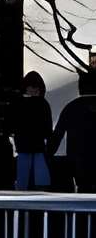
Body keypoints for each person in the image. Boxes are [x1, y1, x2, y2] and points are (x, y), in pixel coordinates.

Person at [55, 62, 96, 193]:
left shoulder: (71, 107)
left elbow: (57, 135)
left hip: (78, 163)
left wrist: (47, 155)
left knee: (82, 195)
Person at [12, 72, 55, 190]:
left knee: (23, 178)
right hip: (38, 145)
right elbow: (48, 128)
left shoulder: (17, 103)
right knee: (41, 178)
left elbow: (12, 124)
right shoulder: (43, 104)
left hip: (23, 145)